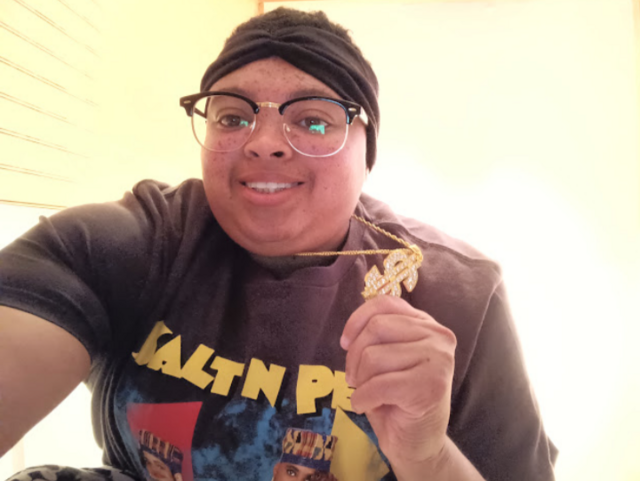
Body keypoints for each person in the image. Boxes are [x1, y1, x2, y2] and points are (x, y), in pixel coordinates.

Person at [0, 7, 557, 481]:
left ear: (366, 152)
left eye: (313, 121)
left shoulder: (461, 294)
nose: (264, 143)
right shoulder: (136, 244)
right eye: (232, 116)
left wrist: (428, 455)